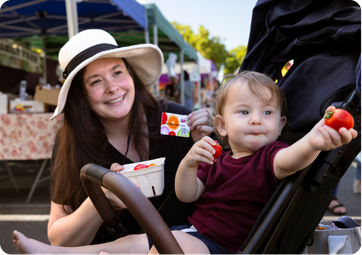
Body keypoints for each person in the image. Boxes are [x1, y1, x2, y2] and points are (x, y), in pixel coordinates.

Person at [12, 71, 358, 255]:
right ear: (223, 126)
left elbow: (290, 159)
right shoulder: (218, 156)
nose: (256, 120)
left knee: (159, 247)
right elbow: (188, 192)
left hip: (218, 242)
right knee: (134, 244)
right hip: (195, 232)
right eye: (244, 112)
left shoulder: (268, 155)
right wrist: (192, 160)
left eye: (267, 114)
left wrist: (314, 140)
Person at [42, 29, 214, 247]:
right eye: (95, 81)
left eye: (117, 73)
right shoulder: (72, 142)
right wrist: (100, 197)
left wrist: (213, 141)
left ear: (131, 74)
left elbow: (230, 196)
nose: (112, 88)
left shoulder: (174, 120)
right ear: (81, 95)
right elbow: (58, 240)